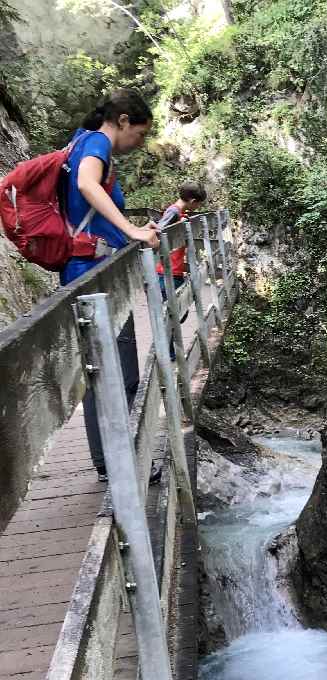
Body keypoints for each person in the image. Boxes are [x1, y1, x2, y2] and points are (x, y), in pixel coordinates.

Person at [60, 88, 160, 482]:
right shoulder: (97, 142)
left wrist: (130, 232)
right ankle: (125, 464)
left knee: (101, 370)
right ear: (122, 121)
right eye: (139, 133)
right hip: (94, 275)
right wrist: (132, 230)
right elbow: (87, 185)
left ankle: (110, 463)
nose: (139, 143)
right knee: (118, 373)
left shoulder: (80, 141)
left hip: (85, 272)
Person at [156, 183, 207, 357]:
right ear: (192, 200)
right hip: (166, 272)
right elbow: (159, 231)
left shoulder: (179, 214)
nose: (198, 208)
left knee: (177, 312)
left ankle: (169, 351)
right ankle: (167, 353)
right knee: (174, 313)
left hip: (174, 270)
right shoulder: (173, 212)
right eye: (198, 204)